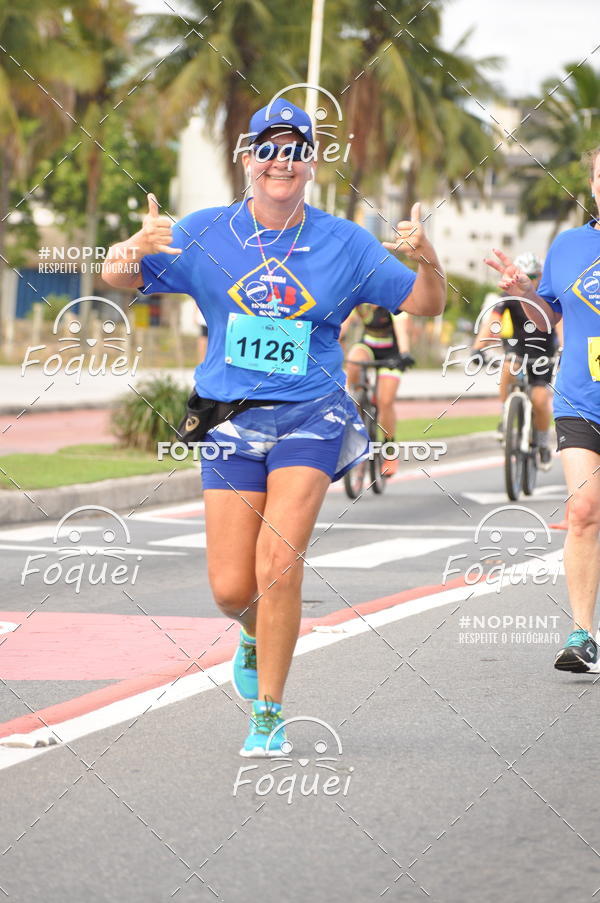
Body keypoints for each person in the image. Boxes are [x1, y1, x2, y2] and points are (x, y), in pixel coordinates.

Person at [103, 98, 446, 754]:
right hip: (230, 420)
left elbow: (425, 303)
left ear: (311, 164)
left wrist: (429, 260)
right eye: (267, 149)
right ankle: (252, 632)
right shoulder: (205, 232)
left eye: (294, 152)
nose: (279, 162)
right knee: (232, 588)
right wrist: (132, 247)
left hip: (311, 416)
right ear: (247, 159)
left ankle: (269, 713)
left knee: (279, 564)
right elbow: (117, 276)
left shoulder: (345, 242)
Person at [485, 144, 600, 673]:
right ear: (592, 185)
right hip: (581, 399)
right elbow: (544, 315)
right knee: (583, 510)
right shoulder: (569, 245)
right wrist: (525, 291)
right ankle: (582, 634)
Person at [471, 252, 560, 471]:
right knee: (508, 367)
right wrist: (478, 348)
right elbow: (493, 323)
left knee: (540, 399)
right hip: (517, 350)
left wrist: (563, 350)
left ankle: (542, 444)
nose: (531, 279)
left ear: (541, 276)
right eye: (525, 275)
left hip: (543, 354)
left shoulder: (549, 296)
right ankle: (506, 415)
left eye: (534, 275)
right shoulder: (508, 297)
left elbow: (560, 325)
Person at [342, 306, 415, 476]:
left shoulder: (391, 299)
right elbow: (341, 326)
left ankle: (390, 452)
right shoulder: (359, 299)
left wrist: (405, 353)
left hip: (392, 354)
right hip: (367, 347)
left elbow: (402, 331)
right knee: (353, 362)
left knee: (385, 402)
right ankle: (360, 401)